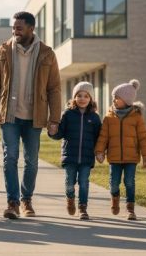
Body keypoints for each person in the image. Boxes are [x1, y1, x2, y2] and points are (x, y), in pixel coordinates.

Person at [0, 11, 62, 219]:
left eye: (19, 28)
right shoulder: (3, 51)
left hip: (34, 116)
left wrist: (54, 119)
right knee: (9, 158)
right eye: (13, 28)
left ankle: (26, 198)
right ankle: (13, 202)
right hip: (9, 115)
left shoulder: (47, 53)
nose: (15, 31)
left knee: (32, 161)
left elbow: (54, 88)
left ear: (31, 29)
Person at [95, 79, 146, 220]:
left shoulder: (136, 117)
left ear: (127, 100)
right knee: (114, 183)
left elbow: (143, 137)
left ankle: (130, 209)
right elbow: (103, 136)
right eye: (113, 97)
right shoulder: (109, 117)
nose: (114, 100)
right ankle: (115, 199)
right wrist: (99, 151)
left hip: (131, 157)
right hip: (114, 157)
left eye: (117, 98)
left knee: (130, 182)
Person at [48, 81, 102, 220]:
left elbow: (99, 138)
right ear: (74, 98)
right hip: (70, 156)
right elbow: (60, 134)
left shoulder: (95, 118)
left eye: (86, 96)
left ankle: (83, 208)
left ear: (91, 99)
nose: (82, 98)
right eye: (79, 95)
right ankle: (70, 199)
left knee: (84, 182)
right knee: (70, 182)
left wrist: (100, 152)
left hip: (86, 157)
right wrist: (53, 131)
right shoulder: (68, 114)